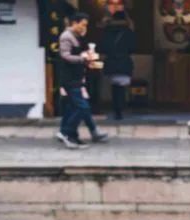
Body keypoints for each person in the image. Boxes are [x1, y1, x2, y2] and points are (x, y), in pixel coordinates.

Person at [56, 13, 108, 149]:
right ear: (74, 23)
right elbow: (65, 56)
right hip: (70, 79)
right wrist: (83, 59)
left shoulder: (75, 36)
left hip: (76, 77)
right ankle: (68, 133)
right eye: (83, 24)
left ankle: (71, 134)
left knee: (74, 107)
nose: (84, 27)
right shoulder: (66, 37)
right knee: (82, 107)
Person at [99, 9, 136, 120]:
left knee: (114, 88)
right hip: (124, 61)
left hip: (111, 61)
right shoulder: (128, 31)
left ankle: (116, 109)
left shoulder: (107, 30)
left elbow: (103, 47)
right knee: (121, 88)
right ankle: (120, 109)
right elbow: (132, 48)